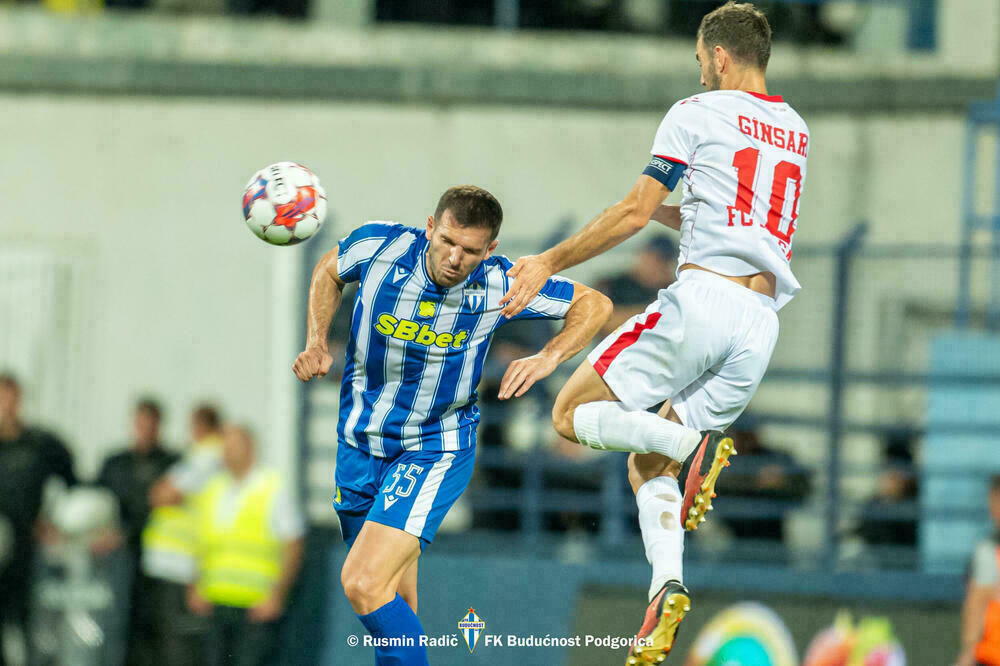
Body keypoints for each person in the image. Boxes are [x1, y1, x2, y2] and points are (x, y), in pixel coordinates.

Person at [498, 3, 809, 661]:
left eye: (701, 60)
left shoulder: (696, 113)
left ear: (718, 55)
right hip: (758, 327)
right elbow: (730, 218)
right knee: (649, 465)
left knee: (569, 412)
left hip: (703, 303)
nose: (699, 73)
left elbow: (637, 211)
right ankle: (665, 585)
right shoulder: (793, 129)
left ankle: (691, 447)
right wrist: (682, 214)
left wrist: (548, 261)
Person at [292, 184, 611, 665]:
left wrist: (550, 356)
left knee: (362, 582)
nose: (455, 258)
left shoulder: (502, 282)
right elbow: (327, 270)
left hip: (433, 449)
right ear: (429, 228)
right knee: (393, 600)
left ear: (491, 250)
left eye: (470, 250)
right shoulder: (378, 247)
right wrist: (316, 340)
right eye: (446, 242)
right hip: (358, 443)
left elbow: (596, 305)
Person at [186, 425, 305, 666]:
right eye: (225, 446)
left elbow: (293, 546)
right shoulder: (213, 488)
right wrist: (195, 585)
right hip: (216, 603)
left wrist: (277, 595)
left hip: (255, 605)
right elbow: (201, 543)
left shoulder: (272, 488)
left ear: (250, 447)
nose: (227, 452)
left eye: (233, 446)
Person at [136, 403, 225, 666]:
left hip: (182, 564)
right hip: (181, 563)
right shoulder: (208, 457)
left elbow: (162, 494)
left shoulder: (207, 456)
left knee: (177, 644)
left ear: (199, 427)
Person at [96, 398, 180, 666]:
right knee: (120, 627)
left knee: (159, 631)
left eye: (150, 425)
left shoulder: (173, 464)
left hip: (161, 564)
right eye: (141, 424)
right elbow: (96, 503)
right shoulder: (115, 464)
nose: (145, 430)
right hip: (118, 561)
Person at [0, 373, 77, 666]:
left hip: (29, 554)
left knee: (33, 628)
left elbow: (74, 485)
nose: (6, 406)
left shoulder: (41, 444)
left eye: (11, 398)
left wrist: (57, 523)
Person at [595, 235, 677, 337]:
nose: (659, 266)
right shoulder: (613, 284)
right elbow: (604, 325)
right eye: (657, 259)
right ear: (643, 255)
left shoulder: (670, 290)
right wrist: (657, 311)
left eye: (666, 262)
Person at [956, 476, 1000, 666]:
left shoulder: (988, 553)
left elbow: (977, 600)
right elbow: (977, 602)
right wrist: (968, 652)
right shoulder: (988, 552)